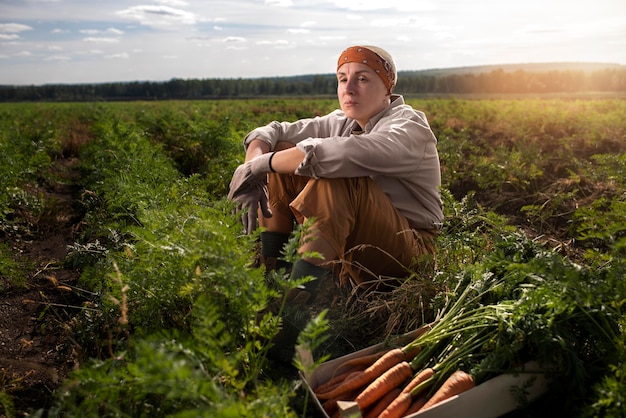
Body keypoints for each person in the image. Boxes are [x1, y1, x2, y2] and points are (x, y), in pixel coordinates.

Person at [228, 45, 443, 326]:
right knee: (283, 152)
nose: (349, 88)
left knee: (338, 177)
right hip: (362, 238)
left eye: (363, 79)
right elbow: (274, 131)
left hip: (410, 251)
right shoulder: (343, 121)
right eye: (343, 78)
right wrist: (251, 167)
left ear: (387, 88)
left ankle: (292, 313)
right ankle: (273, 275)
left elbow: (344, 154)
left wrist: (260, 165)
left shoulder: (408, 126)